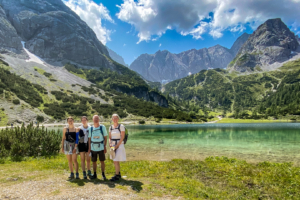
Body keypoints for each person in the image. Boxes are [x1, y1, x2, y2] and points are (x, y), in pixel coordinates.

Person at [88, 115, 107, 180]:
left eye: (97, 118)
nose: (96, 120)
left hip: (101, 147)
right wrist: (89, 148)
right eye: (94, 118)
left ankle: (103, 174)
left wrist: (105, 146)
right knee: (94, 161)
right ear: (92, 120)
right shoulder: (90, 128)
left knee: (102, 161)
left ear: (99, 119)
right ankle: (95, 174)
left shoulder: (102, 127)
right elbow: (89, 139)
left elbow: (105, 137)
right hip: (93, 147)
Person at [109, 114, 126, 181]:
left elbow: (122, 137)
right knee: (115, 160)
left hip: (119, 145)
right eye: (114, 118)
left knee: (116, 160)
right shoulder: (110, 127)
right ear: (112, 119)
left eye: (116, 118)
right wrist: (110, 144)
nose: (115, 119)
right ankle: (118, 173)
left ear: (118, 119)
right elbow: (110, 137)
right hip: (113, 145)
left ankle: (117, 175)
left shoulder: (121, 126)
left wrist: (117, 145)